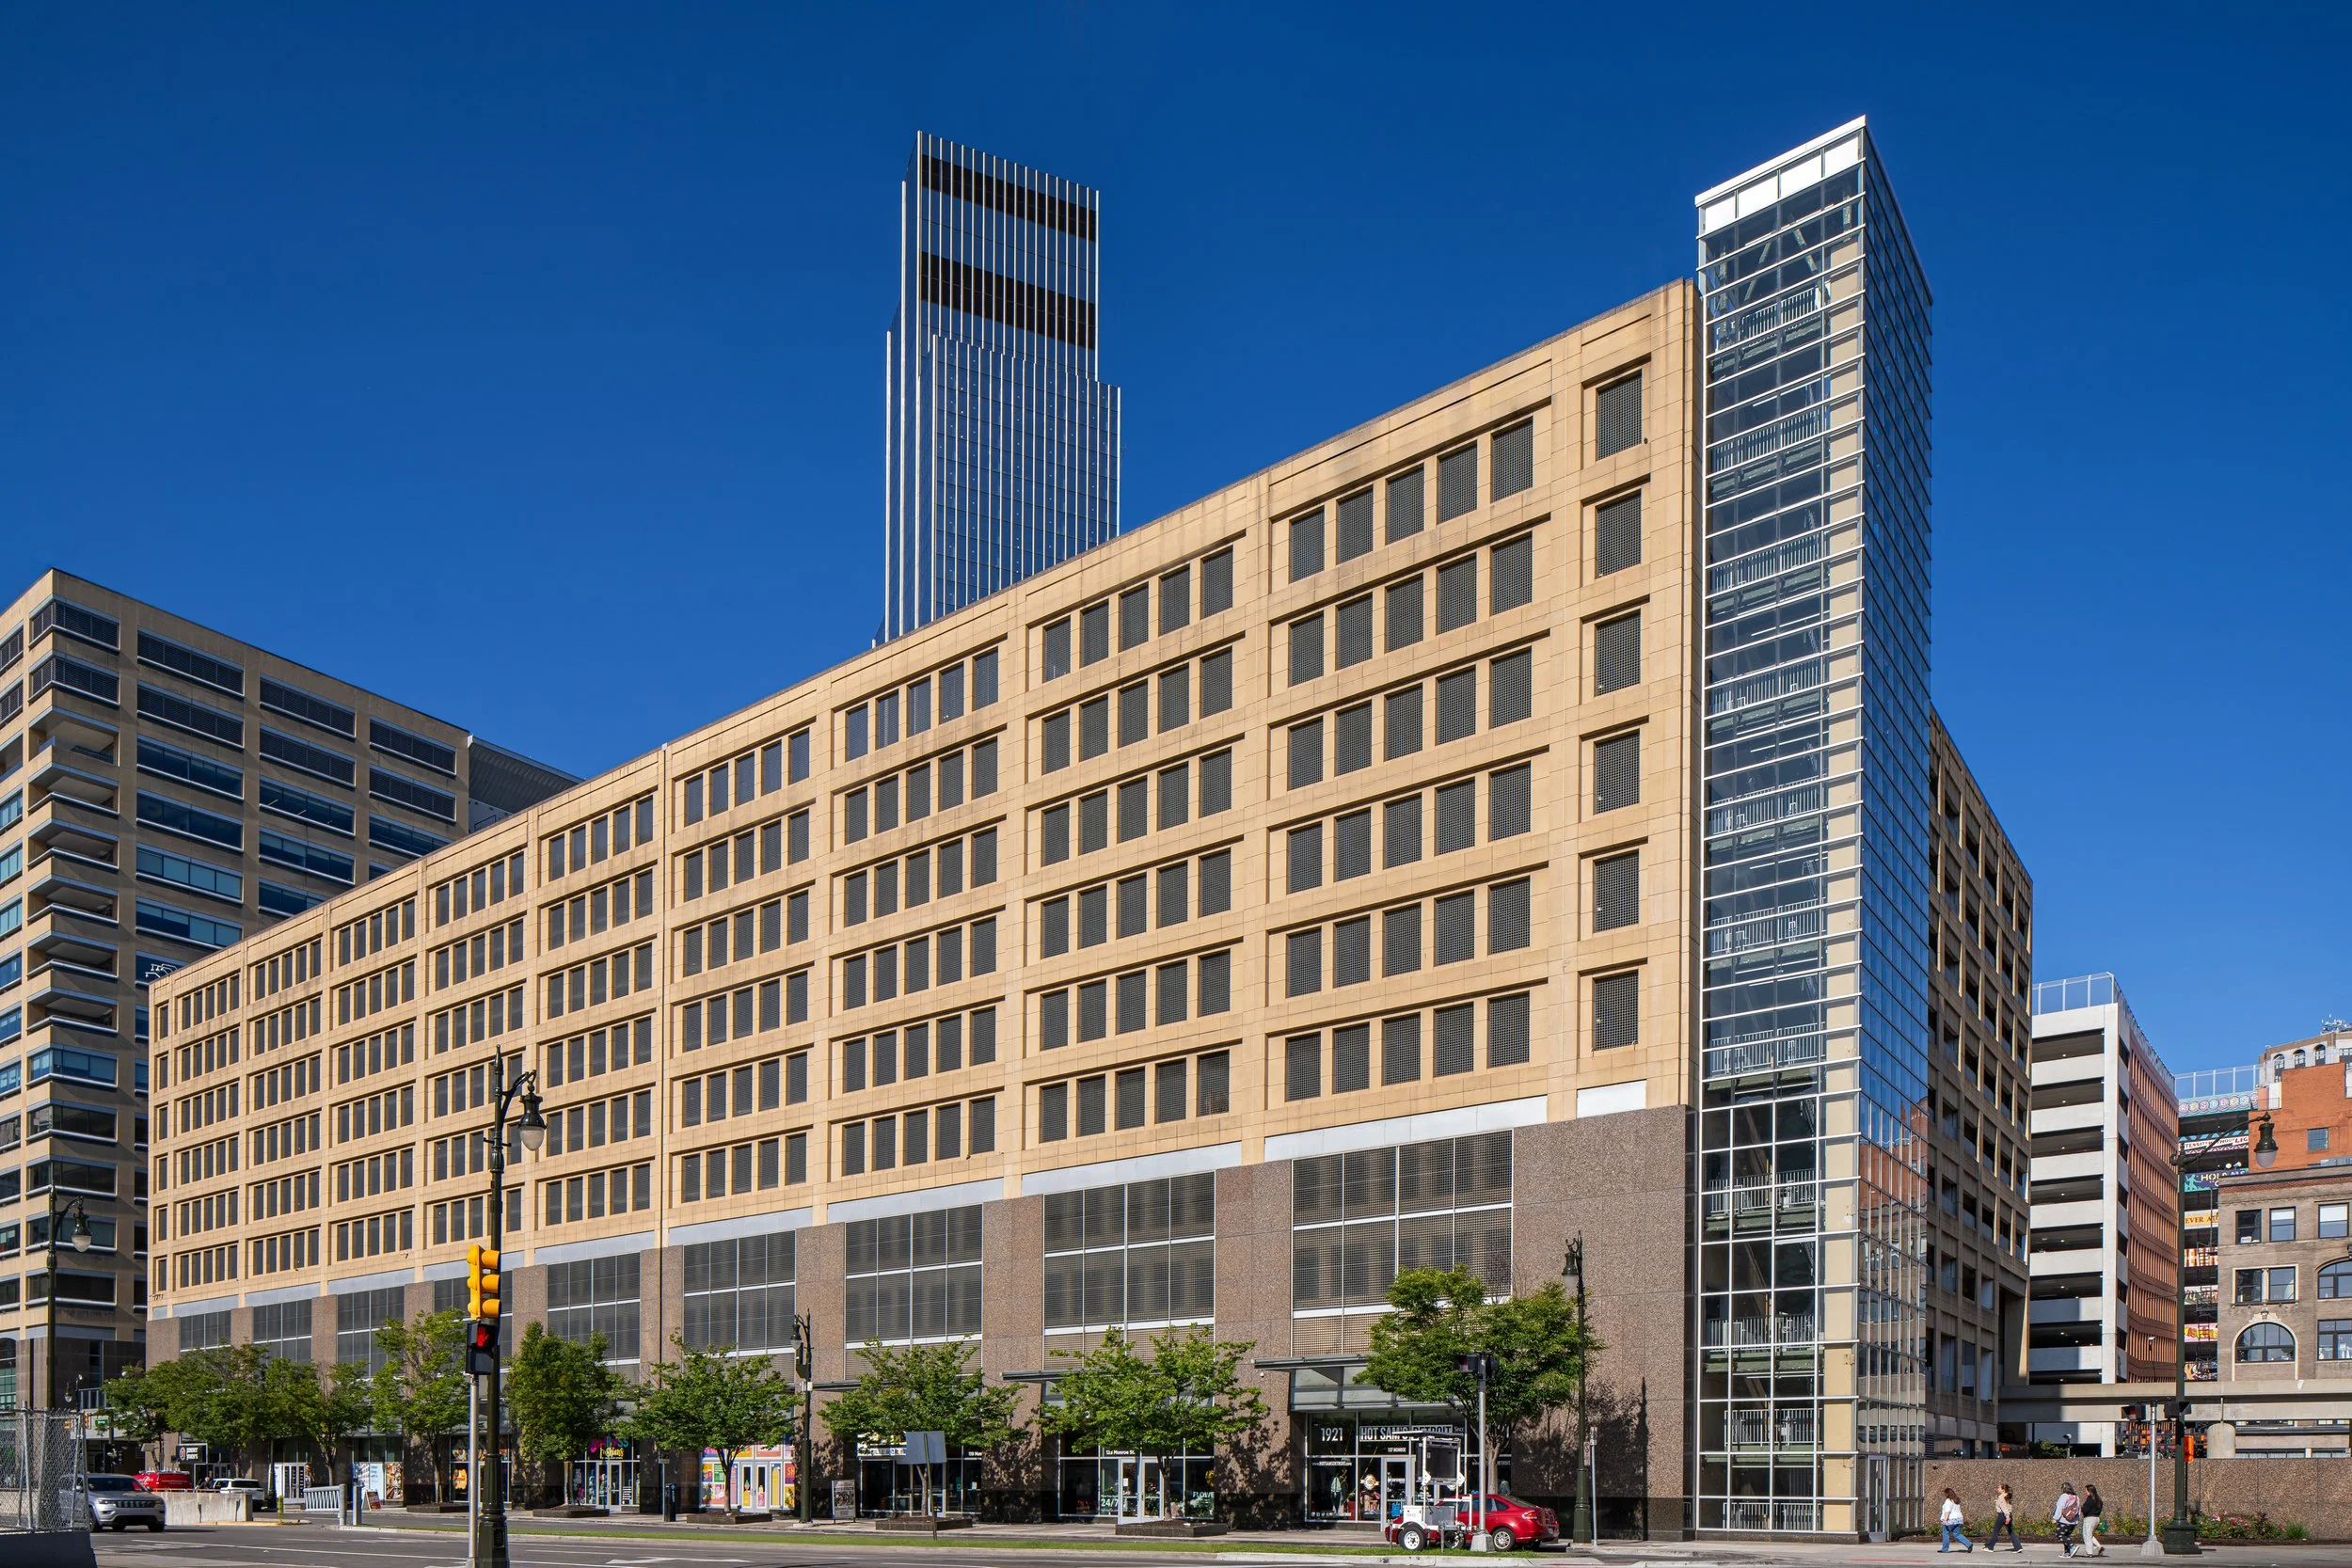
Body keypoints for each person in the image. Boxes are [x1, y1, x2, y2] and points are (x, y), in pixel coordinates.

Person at [1940, 1488, 1976, 1552]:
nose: (1944, 1495)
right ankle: (1969, 1544)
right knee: (1957, 1534)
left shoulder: (1948, 1501)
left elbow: (1947, 1511)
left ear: (1947, 1494)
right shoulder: (1956, 1500)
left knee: (1946, 1534)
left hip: (1950, 1520)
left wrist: (1945, 1520)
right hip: (1959, 1519)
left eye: (1945, 1493)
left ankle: (1945, 1549)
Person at [1990, 1483, 2024, 1551]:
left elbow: (2004, 1508)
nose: (1997, 1489)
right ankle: (2018, 1547)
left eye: (1999, 1488)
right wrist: (1997, 1502)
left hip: (2003, 1516)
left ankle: (1989, 1547)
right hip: (2009, 1514)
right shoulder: (2008, 1496)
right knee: (2011, 1531)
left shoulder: (2001, 1497)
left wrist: (2007, 1517)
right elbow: (2006, 1505)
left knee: (1996, 1531)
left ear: (2003, 1489)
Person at [2052, 1483, 2082, 1556]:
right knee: (2066, 1536)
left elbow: (2060, 1507)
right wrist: (2077, 1518)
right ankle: (2067, 1552)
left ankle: (2072, 1546)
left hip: (2064, 1520)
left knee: (2059, 1534)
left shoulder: (2064, 1496)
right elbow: (2078, 1509)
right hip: (2073, 1521)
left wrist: (2055, 1518)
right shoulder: (2076, 1497)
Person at [2079, 1484, 2106, 1557]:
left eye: (2086, 1490)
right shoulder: (2098, 1499)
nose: (2085, 1492)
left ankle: (2089, 1553)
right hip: (2096, 1518)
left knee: (2087, 1536)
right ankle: (2099, 1546)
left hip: (2089, 1519)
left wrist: (2081, 1508)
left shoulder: (2090, 1499)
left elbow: (2085, 1510)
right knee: (2089, 1535)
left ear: (2090, 1491)